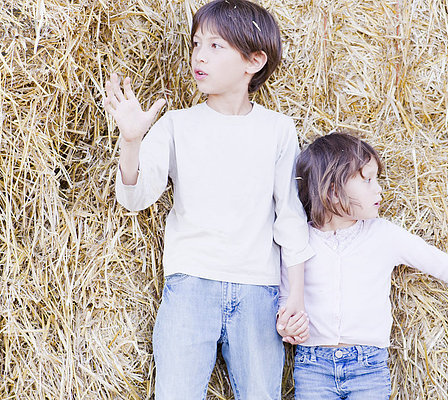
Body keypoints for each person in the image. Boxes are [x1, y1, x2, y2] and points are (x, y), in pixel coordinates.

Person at [103, 0, 313, 398]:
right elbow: (135, 196)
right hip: (190, 285)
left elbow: (290, 217)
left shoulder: (277, 130)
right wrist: (131, 140)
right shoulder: (176, 125)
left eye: (216, 46)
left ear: (253, 61)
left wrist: (295, 300)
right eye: (197, 43)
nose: (199, 55)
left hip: (257, 291)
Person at [277, 131, 448, 399]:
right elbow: (286, 297)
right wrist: (286, 326)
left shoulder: (383, 235)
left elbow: (441, 263)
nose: (379, 189)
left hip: (367, 367)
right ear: (333, 191)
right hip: (313, 366)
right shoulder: (299, 241)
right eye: (368, 180)